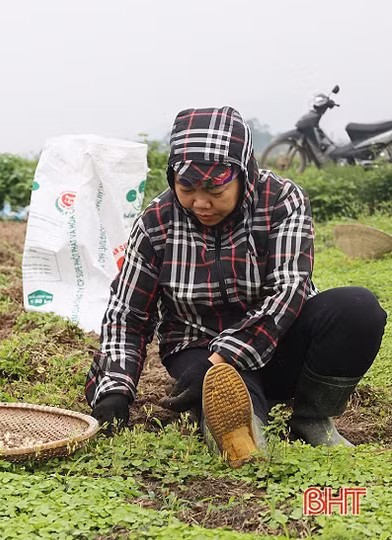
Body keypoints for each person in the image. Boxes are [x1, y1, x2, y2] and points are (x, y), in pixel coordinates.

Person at [86, 107, 387, 466]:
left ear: (244, 172)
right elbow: (128, 314)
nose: (200, 203)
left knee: (357, 308)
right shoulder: (156, 222)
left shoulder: (282, 200)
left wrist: (222, 357)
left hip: (278, 340)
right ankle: (242, 432)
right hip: (198, 345)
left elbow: (288, 290)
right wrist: (114, 389)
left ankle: (312, 419)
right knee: (226, 394)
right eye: (186, 188)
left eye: (214, 189)